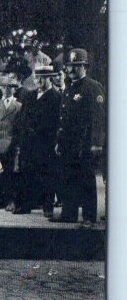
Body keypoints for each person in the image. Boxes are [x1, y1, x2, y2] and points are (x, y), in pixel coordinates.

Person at [51, 49, 105, 227]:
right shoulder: (69, 89)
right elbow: (63, 119)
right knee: (68, 178)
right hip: (68, 144)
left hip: (84, 143)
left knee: (86, 179)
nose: (72, 69)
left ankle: (89, 217)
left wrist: (96, 143)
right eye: (69, 66)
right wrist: (59, 141)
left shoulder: (92, 87)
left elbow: (98, 118)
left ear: (85, 67)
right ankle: (69, 213)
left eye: (77, 66)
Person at [12, 65, 61, 216]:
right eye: (36, 77)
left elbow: (57, 122)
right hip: (28, 142)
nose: (38, 81)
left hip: (45, 143)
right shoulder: (30, 95)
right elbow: (22, 117)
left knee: (47, 175)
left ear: (50, 78)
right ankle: (26, 205)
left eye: (42, 78)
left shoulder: (57, 97)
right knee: (27, 174)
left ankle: (47, 206)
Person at [0, 76, 23, 211]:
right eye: (4, 86)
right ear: (0, 88)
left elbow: (20, 129)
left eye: (10, 87)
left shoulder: (18, 106)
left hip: (10, 145)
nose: (7, 89)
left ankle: (10, 200)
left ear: (15, 89)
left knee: (10, 175)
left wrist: (17, 147)